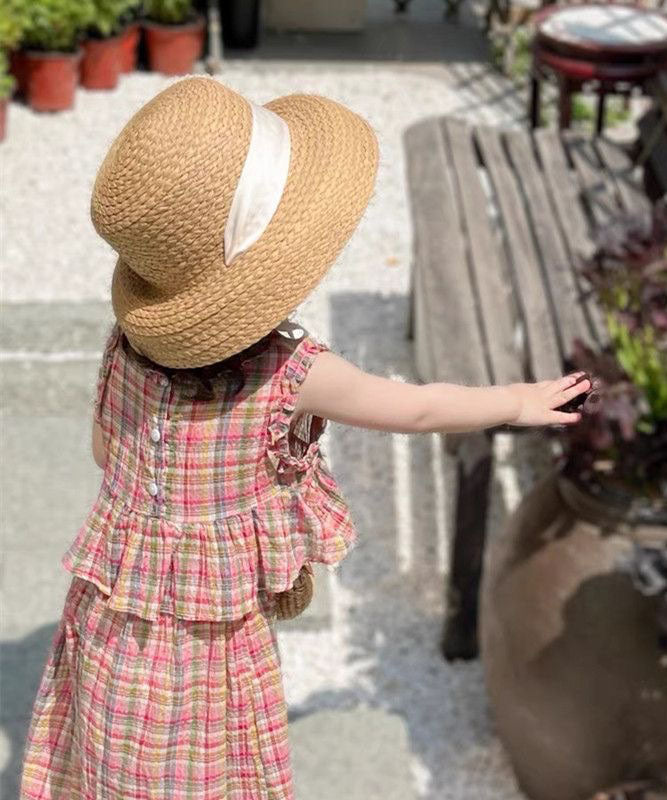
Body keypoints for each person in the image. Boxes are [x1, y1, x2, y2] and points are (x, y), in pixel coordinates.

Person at [19, 76, 591, 800]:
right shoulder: (293, 373)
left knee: (120, 756)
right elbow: (412, 409)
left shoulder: (125, 350)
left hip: (113, 621)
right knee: (206, 762)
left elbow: (108, 455)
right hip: (212, 641)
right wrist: (515, 399)